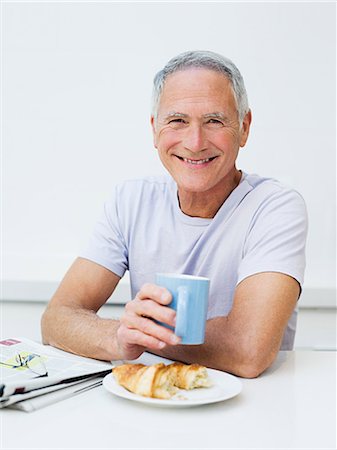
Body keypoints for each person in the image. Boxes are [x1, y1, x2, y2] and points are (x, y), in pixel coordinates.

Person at [41, 50, 308, 378]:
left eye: (214, 121)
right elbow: (56, 318)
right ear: (155, 130)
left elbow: (248, 350)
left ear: (244, 127)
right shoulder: (131, 200)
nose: (195, 142)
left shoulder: (275, 207)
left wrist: (148, 333)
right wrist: (118, 336)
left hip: (251, 408)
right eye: (177, 121)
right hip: (154, 401)